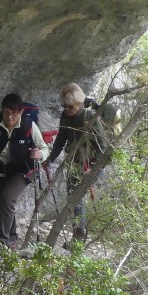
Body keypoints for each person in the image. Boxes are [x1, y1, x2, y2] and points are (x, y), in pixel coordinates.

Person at [45, 83, 117, 242]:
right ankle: (78, 234)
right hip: (76, 163)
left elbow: (102, 147)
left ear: (79, 103)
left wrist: (92, 169)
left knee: (76, 197)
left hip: (92, 163)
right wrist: (50, 159)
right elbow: (61, 139)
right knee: (73, 197)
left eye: (70, 106)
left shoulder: (91, 116)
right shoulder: (65, 116)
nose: (66, 109)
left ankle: (80, 233)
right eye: (64, 105)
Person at [0, 92, 49, 255]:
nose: (10, 116)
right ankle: (12, 237)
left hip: (23, 170)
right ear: (3, 110)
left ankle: (1, 242)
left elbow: (44, 147)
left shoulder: (28, 125)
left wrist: (40, 155)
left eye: (14, 113)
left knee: (7, 199)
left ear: (20, 112)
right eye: (7, 112)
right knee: (5, 203)